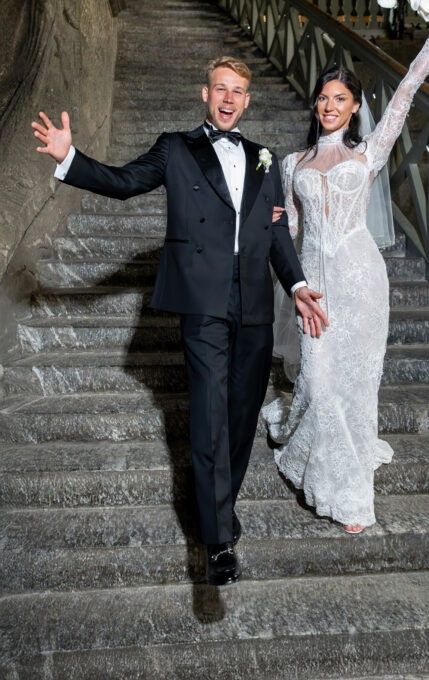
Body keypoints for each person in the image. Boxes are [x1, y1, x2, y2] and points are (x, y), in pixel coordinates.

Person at [31, 56, 328, 585]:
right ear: (205, 94)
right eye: (220, 88)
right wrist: (69, 157)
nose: (229, 98)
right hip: (203, 298)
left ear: (247, 100)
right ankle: (218, 541)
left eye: (238, 91)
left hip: (255, 300)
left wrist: (298, 285)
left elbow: (276, 233)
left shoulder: (263, 158)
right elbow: (124, 182)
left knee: (242, 414)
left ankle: (220, 503)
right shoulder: (176, 148)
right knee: (211, 410)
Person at [263, 0, 429, 534]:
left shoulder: (367, 153)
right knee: (319, 385)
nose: (329, 106)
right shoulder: (292, 164)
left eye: (340, 99)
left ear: (354, 108)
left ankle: (349, 496)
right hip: (315, 285)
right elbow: (291, 233)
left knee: (355, 387)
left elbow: (405, 93)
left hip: (362, 280)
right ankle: (327, 469)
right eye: (323, 97)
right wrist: (270, 228)